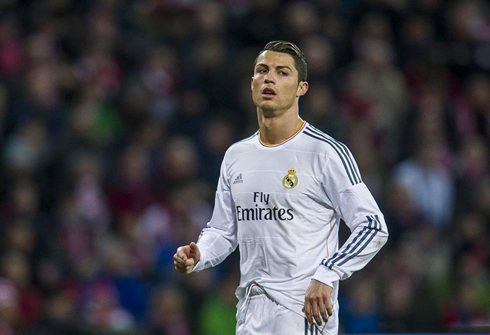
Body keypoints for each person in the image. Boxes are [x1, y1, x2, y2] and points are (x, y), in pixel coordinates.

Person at [174, 40, 389, 335]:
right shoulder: (236, 156)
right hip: (249, 312)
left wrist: (328, 273)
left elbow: (373, 226)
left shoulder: (325, 153)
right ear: (252, 84)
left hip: (302, 312)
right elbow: (224, 231)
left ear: (302, 88)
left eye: (282, 72)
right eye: (262, 71)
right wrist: (199, 256)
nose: (269, 78)